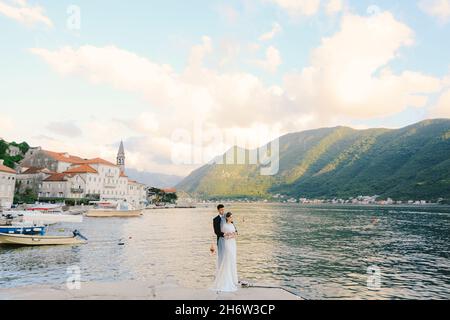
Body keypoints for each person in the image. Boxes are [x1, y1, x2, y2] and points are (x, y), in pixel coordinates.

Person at [212, 212, 239, 292]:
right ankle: (226, 277)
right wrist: (229, 235)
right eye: (230, 217)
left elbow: (237, 233)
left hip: (233, 243)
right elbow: (223, 235)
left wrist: (234, 234)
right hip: (227, 243)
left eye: (232, 217)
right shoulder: (224, 225)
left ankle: (233, 277)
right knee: (227, 259)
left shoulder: (232, 224)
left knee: (233, 259)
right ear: (227, 218)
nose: (232, 218)